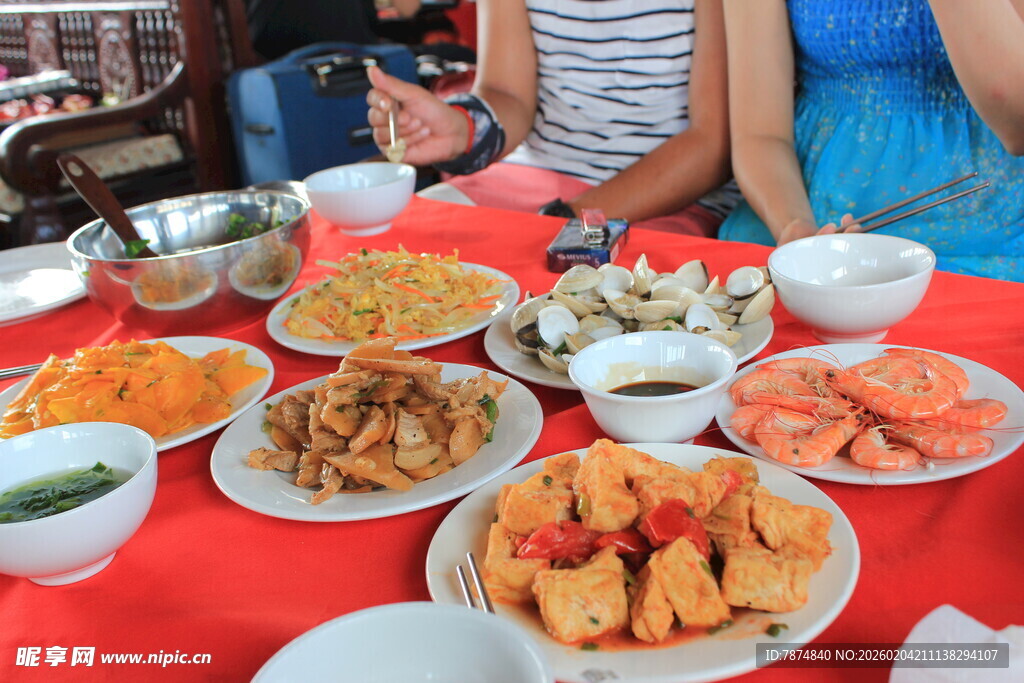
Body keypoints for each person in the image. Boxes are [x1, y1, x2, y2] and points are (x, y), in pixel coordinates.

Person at [365, 0, 736, 236]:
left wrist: (565, 219)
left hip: (668, 197)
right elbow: (507, 93)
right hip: (529, 180)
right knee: (401, 249)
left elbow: (713, 143)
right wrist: (460, 129)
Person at [719, 0, 1024, 281]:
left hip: (987, 228)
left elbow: (1018, 124)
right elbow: (760, 134)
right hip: (811, 205)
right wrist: (796, 227)